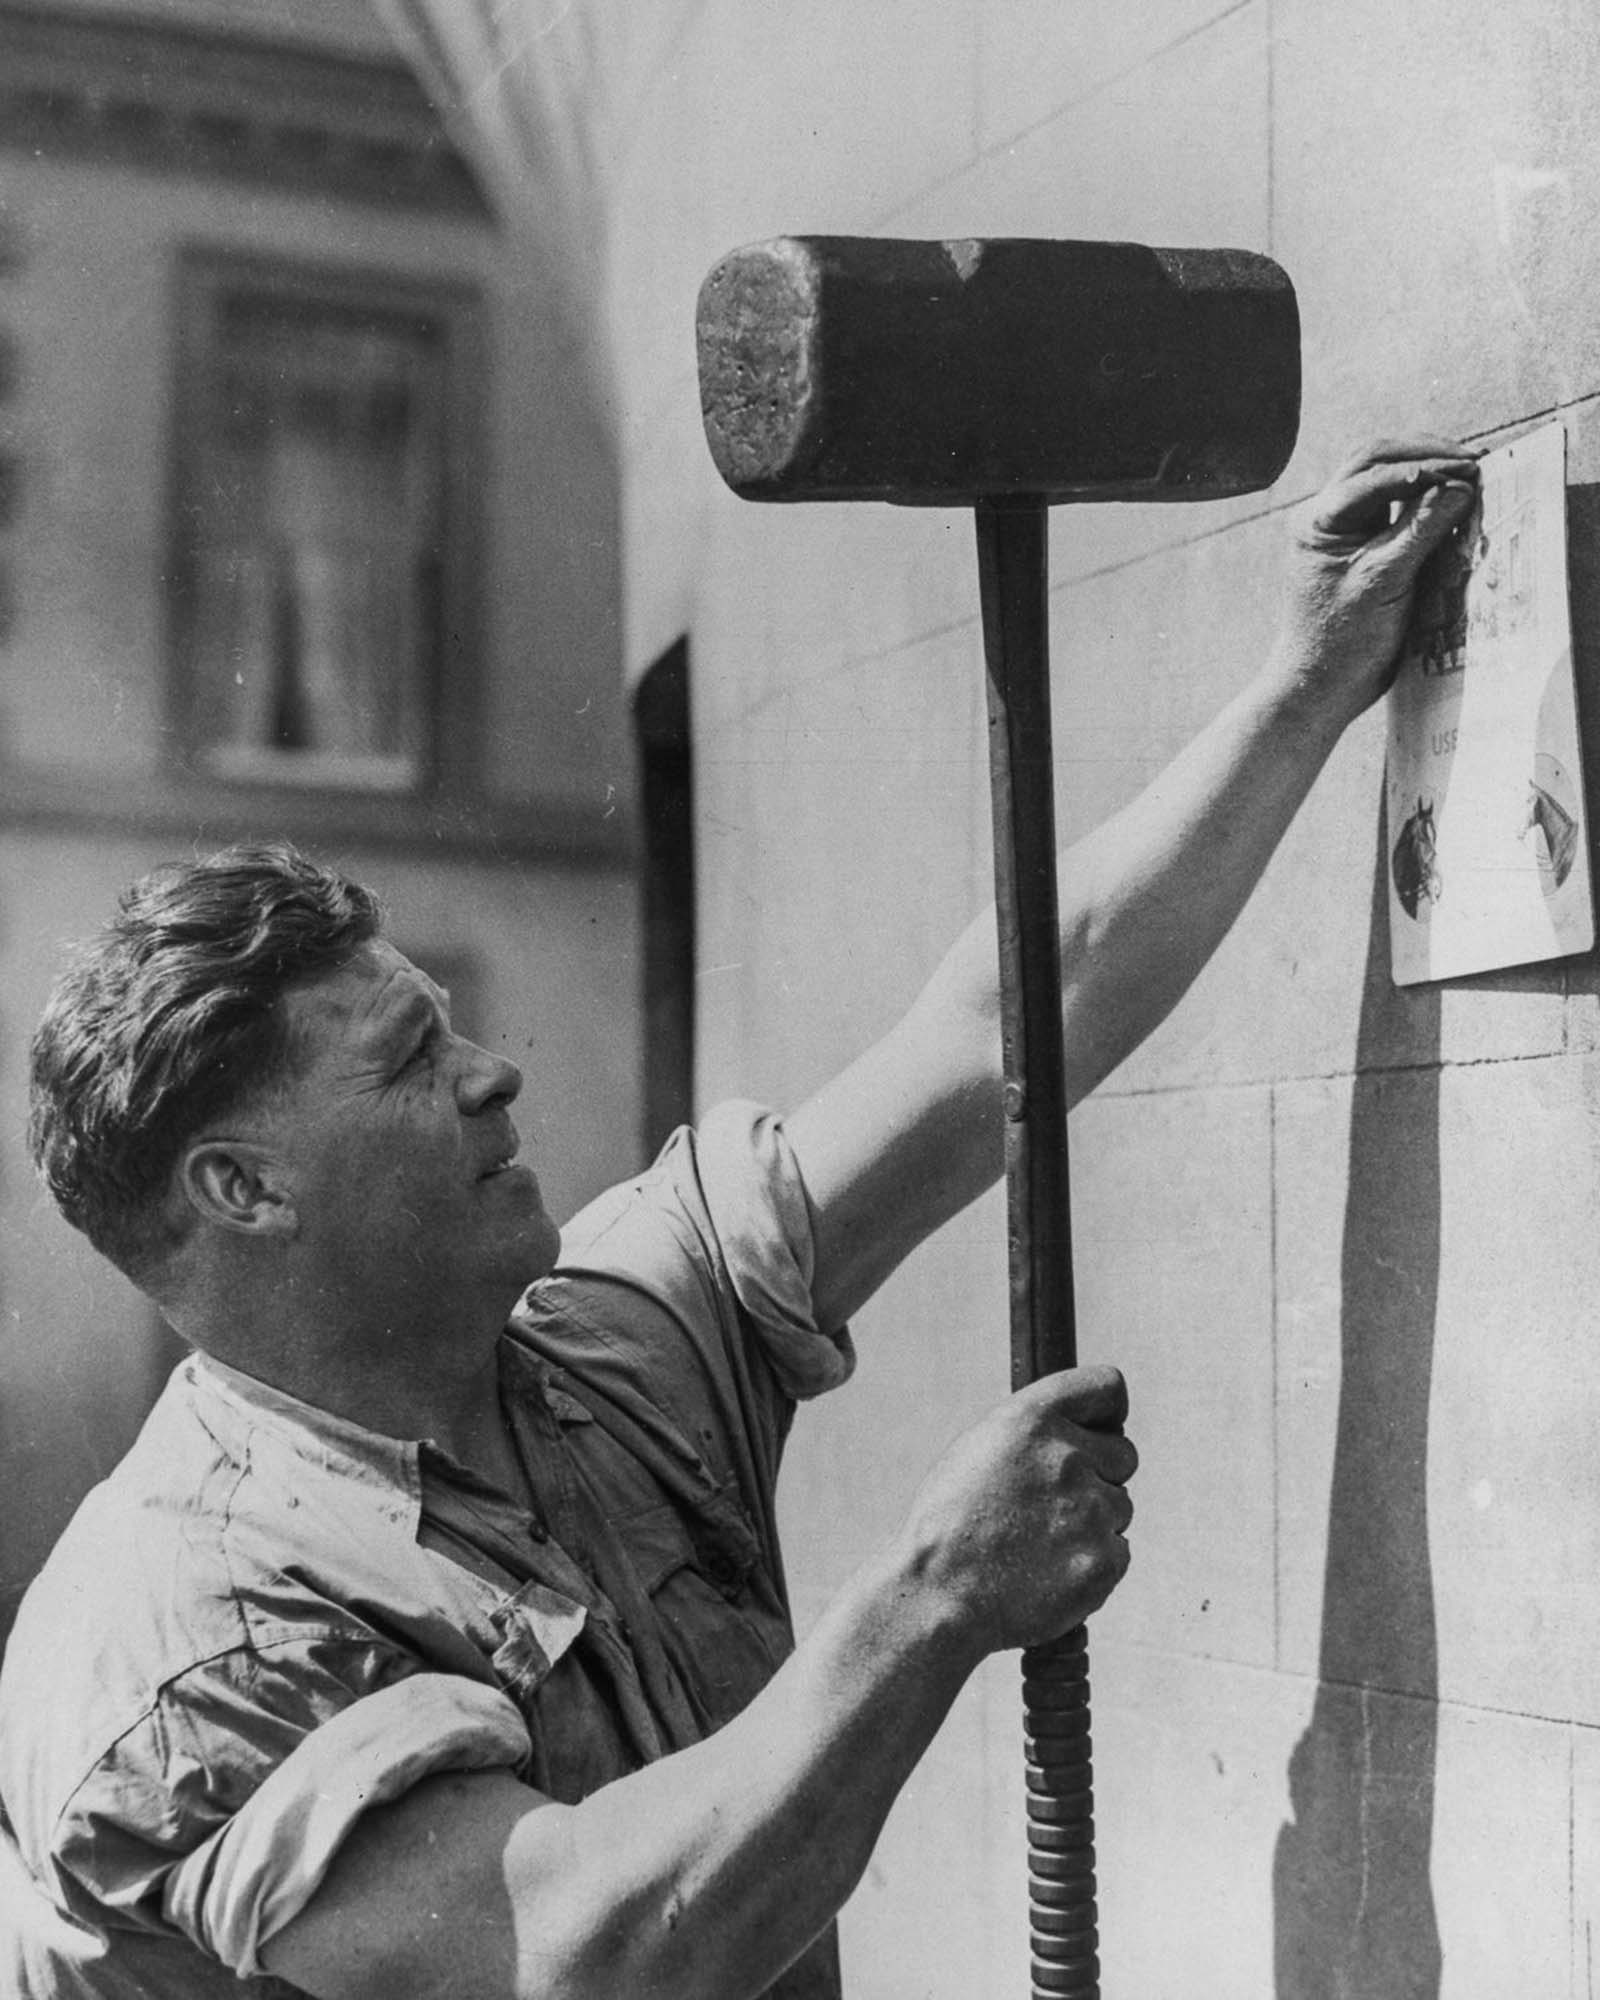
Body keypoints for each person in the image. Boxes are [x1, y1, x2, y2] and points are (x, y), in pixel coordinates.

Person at [0, 438, 1478, 2000]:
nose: (497, 1075)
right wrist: (933, 1596)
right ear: (244, 1188)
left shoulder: (602, 1342)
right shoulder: (173, 1641)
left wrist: (1310, 675)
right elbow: (585, 1951)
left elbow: (1003, 1035)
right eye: (413, 1062)